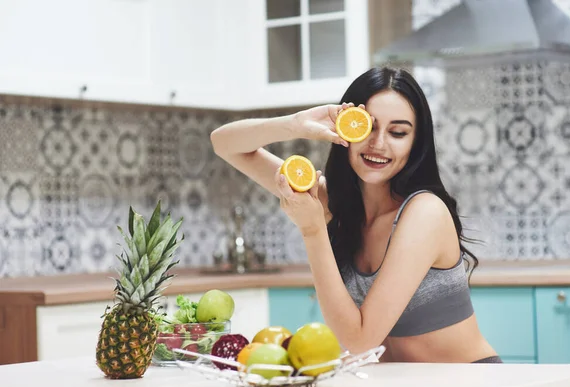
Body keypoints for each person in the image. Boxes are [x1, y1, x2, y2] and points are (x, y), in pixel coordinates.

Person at [210, 66, 500, 363]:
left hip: (468, 384)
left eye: (398, 132)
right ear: (345, 129)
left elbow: (360, 342)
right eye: (368, 127)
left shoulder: (425, 212)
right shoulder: (332, 202)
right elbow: (224, 144)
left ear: (415, 144)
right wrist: (296, 124)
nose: (379, 144)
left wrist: (313, 230)